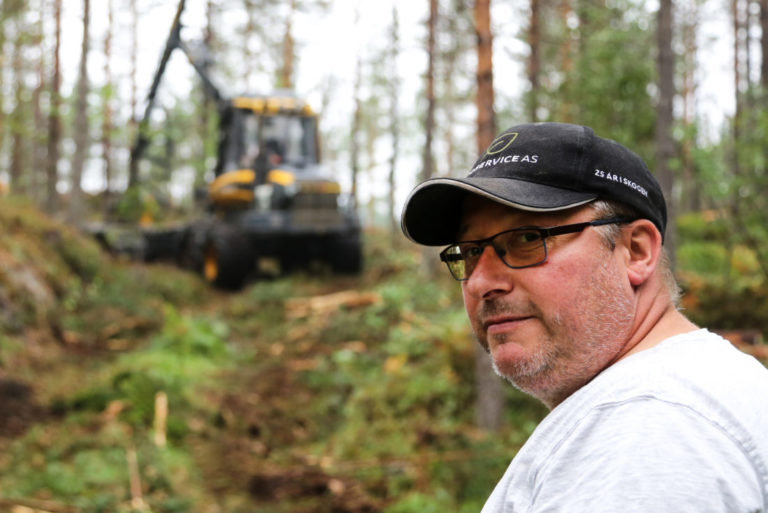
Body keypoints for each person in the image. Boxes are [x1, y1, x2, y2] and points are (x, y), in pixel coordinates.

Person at [400, 122, 768, 512]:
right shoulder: (709, 388)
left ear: (636, 251)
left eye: (527, 239)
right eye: (471, 251)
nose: (479, 283)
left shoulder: (644, 431)